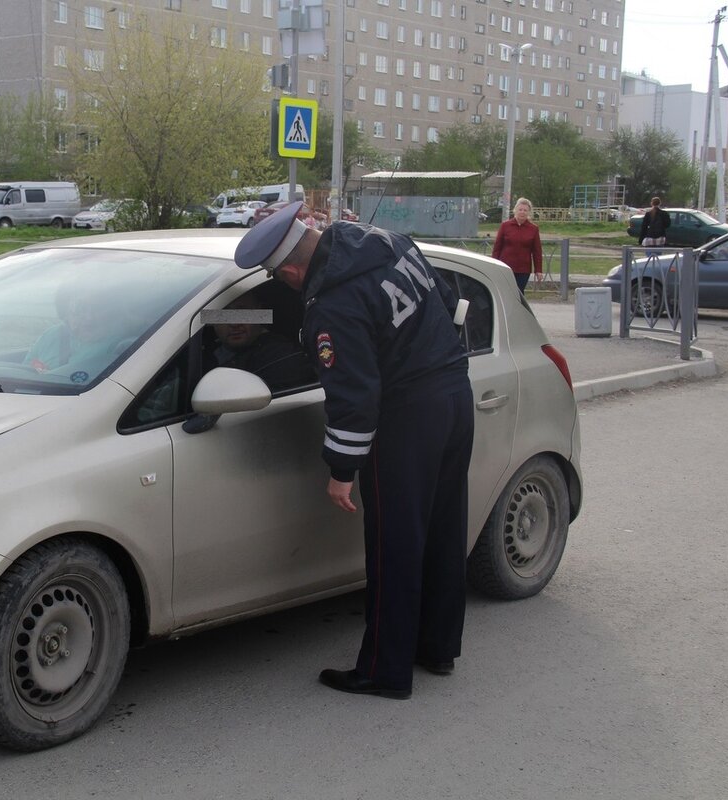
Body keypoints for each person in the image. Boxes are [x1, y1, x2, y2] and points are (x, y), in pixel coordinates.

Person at [233, 202, 474, 700]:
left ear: (292, 270)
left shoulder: (332, 305)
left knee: (394, 545)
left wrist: (342, 469)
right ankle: (438, 647)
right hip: (454, 394)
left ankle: (385, 671)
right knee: (443, 528)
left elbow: (355, 396)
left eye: (282, 280)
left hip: (406, 417)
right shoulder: (384, 241)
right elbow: (449, 303)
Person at [25, 281, 129, 382]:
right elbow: (25, 370)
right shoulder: (52, 335)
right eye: (80, 308)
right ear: (65, 312)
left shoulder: (121, 346)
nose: (89, 317)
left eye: (98, 308)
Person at [211, 293, 314, 392]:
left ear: (259, 312)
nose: (234, 323)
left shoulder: (279, 358)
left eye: (243, 312)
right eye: (223, 314)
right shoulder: (201, 352)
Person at [491, 197, 543, 295]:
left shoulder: (533, 229)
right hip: (505, 267)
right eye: (520, 209)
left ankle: (516, 310)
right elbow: (497, 248)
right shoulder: (505, 226)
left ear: (529, 213)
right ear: (515, 210)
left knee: (518, 294)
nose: (522, 212)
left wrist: (538, 270)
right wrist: (494, 264)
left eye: (525, 210)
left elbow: (537, 251)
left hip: (523, 269)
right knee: (505, 293)